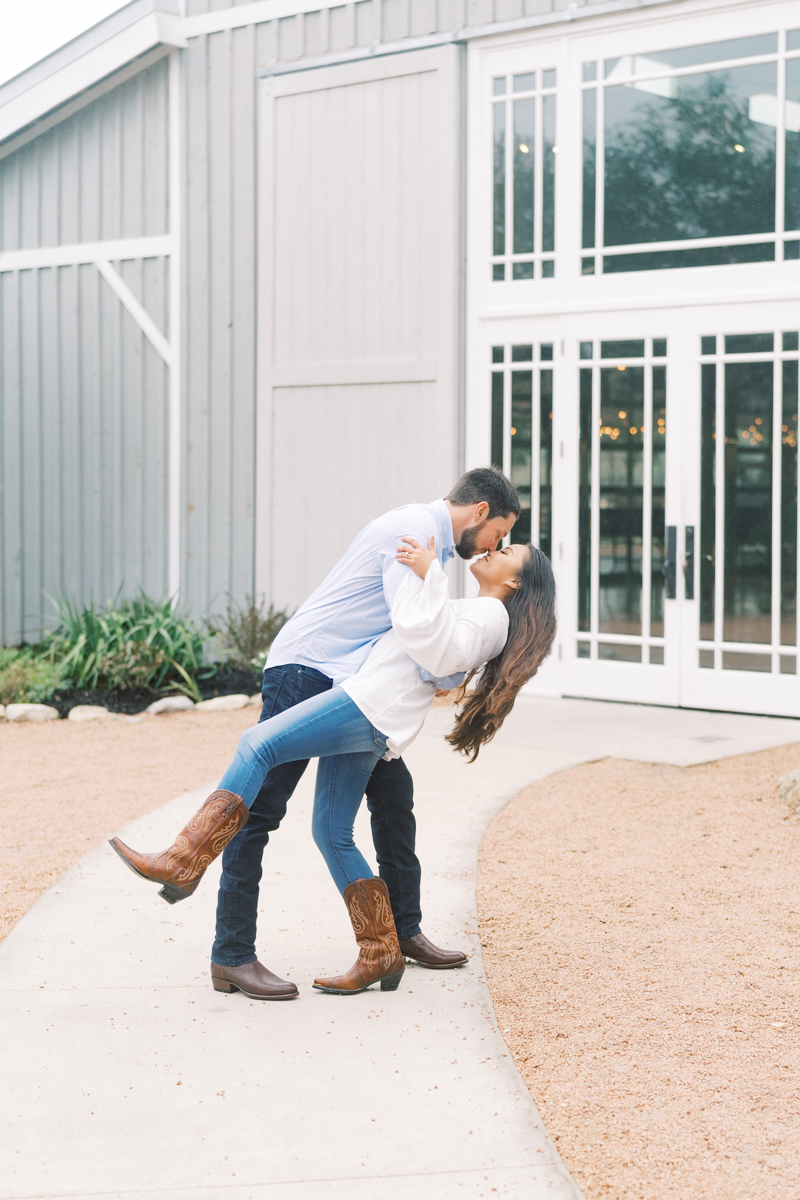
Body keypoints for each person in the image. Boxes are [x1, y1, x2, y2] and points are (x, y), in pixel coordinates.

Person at [110, 532, 557, 996]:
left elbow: (442, 652)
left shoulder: (488, 612)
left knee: (257, 744)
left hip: (368, 706)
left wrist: (432, 574)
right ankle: (380, 952)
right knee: (331, 831)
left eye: (505, 554)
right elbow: (440, 660)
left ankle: (183, 859)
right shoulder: (479, 612)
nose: (491, 552)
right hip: (377, 711)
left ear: (516, 583)